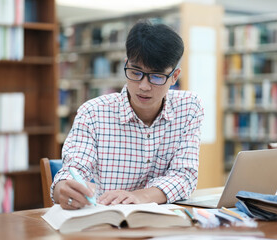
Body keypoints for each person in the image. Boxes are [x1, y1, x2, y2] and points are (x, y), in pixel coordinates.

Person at [51, 20, 204, 210]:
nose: (144, 86)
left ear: (174, 76)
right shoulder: (92, 112)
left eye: (156, 76)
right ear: (126, 65)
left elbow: (185, 176)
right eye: (135, 72)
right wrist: (64, 190)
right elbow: (72, 171)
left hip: (165, 222)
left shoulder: (189, 108)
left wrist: (139, 196)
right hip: (109, 222)